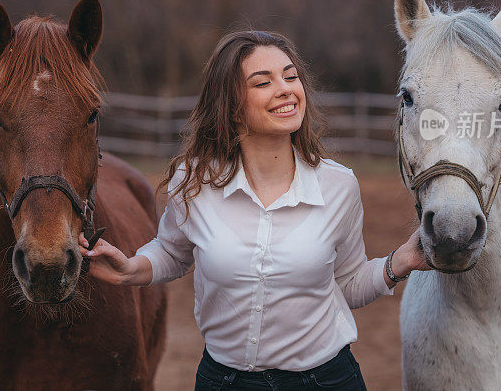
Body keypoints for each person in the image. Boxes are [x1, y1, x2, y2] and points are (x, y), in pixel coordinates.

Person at [79, 30, 429, 390]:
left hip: (325, 380)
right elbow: (172, 251)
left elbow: (347, 284)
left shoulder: (339, 187)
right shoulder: (195, 182)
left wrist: (399, 262)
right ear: (230, 104)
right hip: (224, 381)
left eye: (291, 77)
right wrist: (130, 268)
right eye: (263, 82)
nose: (285, 89)